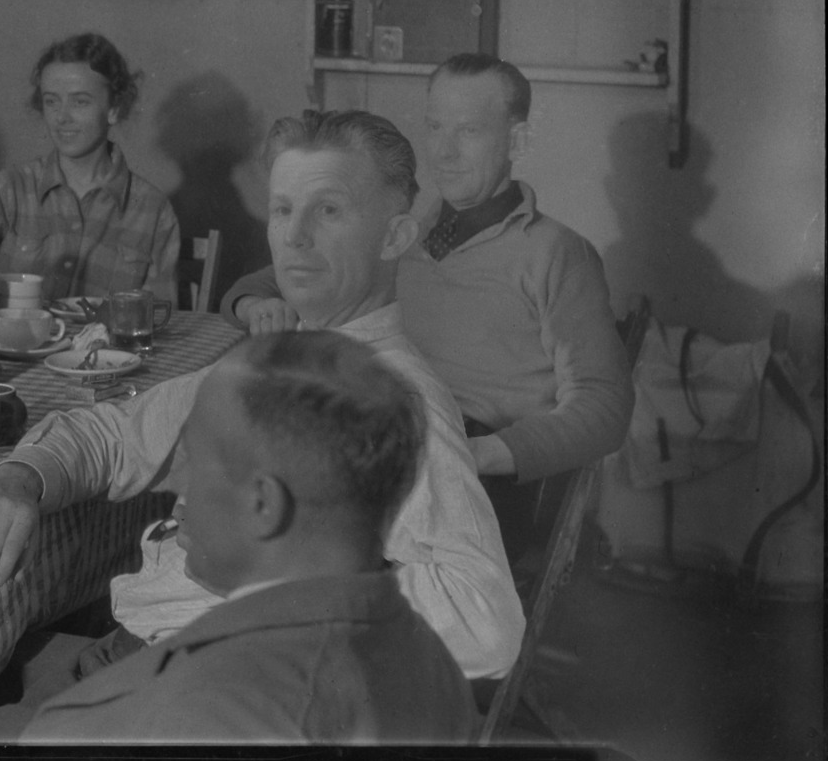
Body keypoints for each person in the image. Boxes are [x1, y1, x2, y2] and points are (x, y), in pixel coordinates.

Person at [0, 109, 520, 737]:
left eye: (328, 211)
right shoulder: (296, 360)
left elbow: (487, 623)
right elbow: (118, 433)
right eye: (282, 210)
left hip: (200, 693)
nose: (295, 238)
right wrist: (24, 476)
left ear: (394, 238)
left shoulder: (397, 401)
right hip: (142, 652)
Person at [223, 56, 633, 547]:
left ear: (518, 141)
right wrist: (253, 305)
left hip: (474, 480)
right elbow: (272, 277)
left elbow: (606, 408)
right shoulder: (401, 229)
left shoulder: (558, 253)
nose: (444, 152)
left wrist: (477, 454)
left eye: (469, 131)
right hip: (376, 439)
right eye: (435, 127)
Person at [20, 331, 476, 744]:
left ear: (263, 504)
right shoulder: (430, 662)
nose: (179, 503)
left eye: (196, 468)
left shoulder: (212, 703)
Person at [0, 33, 179, 302]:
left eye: (80, 102)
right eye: (52, 101)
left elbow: (160, 316)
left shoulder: (152, 210)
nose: (62, 118)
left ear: (114, 109)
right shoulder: (7, 190)